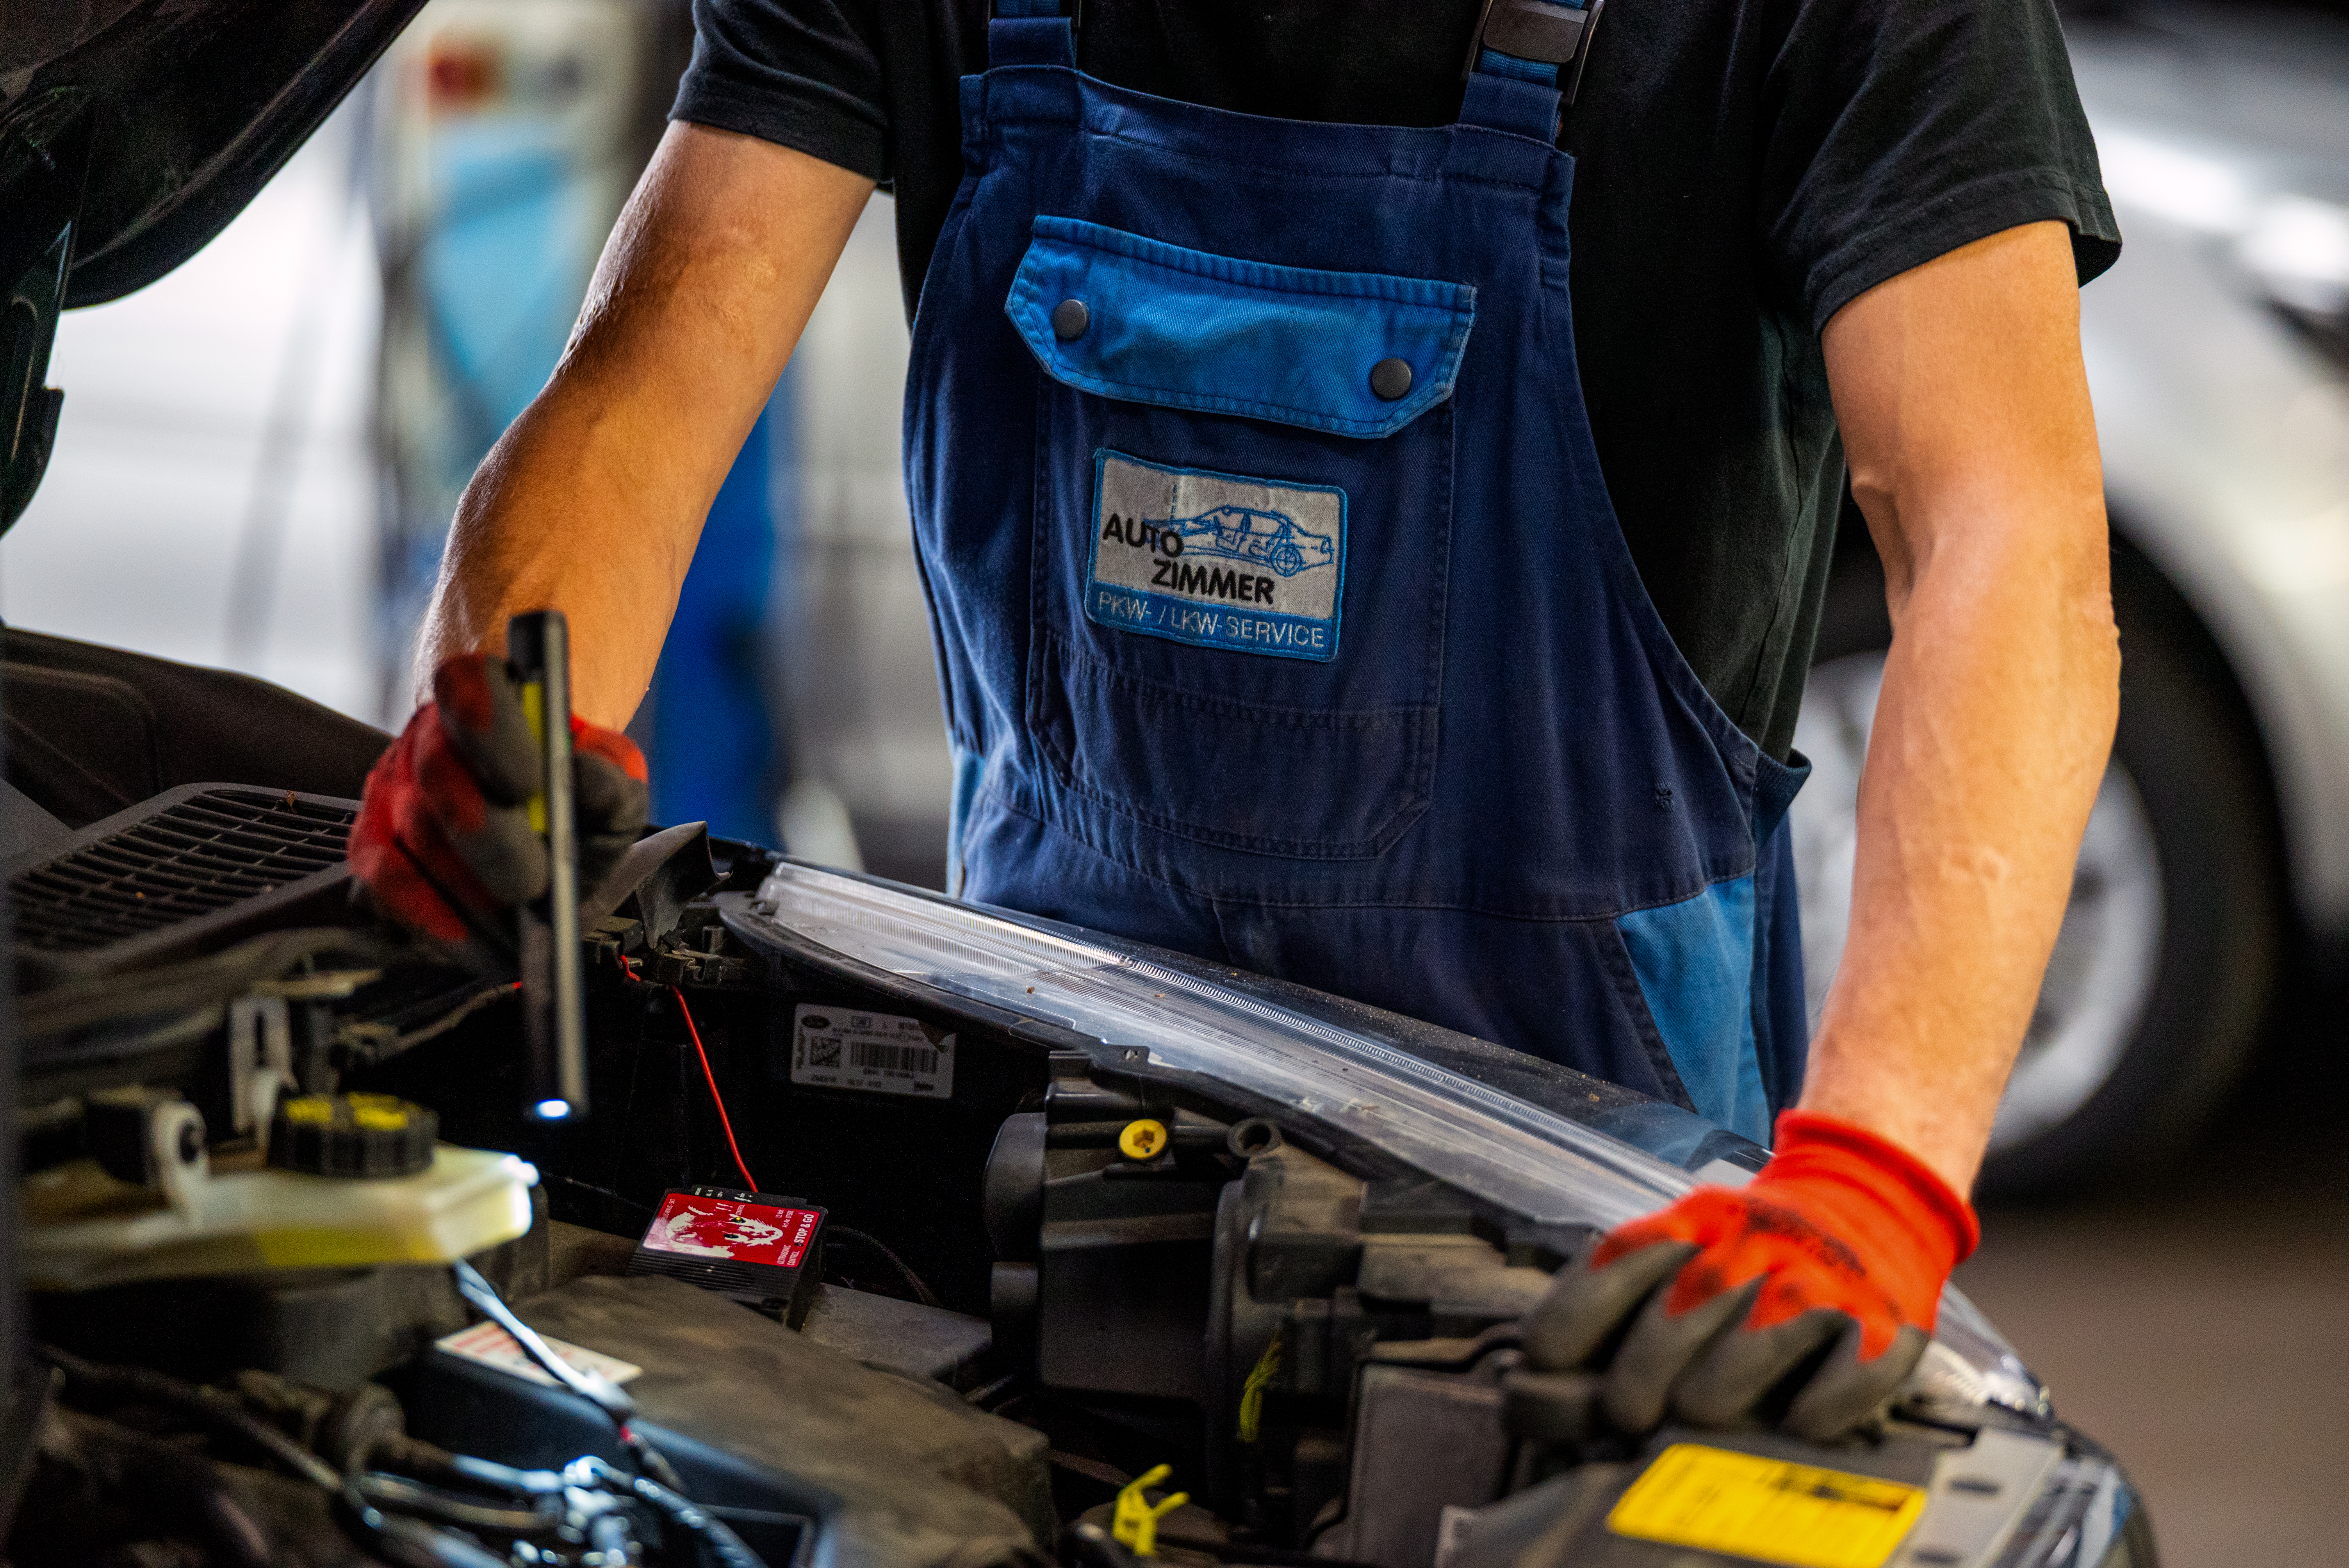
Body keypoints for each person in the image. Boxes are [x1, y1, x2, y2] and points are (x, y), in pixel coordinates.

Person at [351, 0, 2122, 1439]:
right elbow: (652, 364)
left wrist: (1874, 1169)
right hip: (1022, 1162)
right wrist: (507, 710)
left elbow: (2005, 537)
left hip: (1597, 1243)